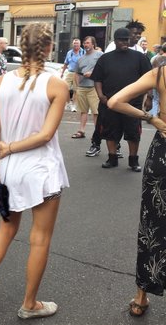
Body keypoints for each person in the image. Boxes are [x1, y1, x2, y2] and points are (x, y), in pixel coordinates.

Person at [0, 22, 69, 319]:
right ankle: (30, 303)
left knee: (7, 227)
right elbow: (46, 135)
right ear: (48, 48)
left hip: (7, 171)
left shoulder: (3, 81)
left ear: (22, 47)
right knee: (40, 238)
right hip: (40, 170)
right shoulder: (56, 85)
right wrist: (11, 148)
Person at [107, 61, 166, 318]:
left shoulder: (161, 72)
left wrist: (153, 119)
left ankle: (141, 296)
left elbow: (115, 101)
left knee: (152, 224)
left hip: (163, 151)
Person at [92, 28, 152, 171]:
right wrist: (101, 95)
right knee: (110, 132)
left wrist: (149, 97)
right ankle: (112, 159)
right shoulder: (105, 58)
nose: (125, 42)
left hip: (133, 104)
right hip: (110, 103)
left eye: (126, 39)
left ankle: (133, 161)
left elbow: (150, 78)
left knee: (133, 133)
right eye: (121, 40)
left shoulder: (139, 57)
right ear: (115, 41)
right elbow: (97, 79)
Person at [73, 37, 102, 142]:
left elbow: (103, 67)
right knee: (83, 111)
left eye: (88, 43)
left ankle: (97, 132)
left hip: (94, 87)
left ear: (93, 44)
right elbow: (76, 73)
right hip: (82, 87)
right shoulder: (80, 58)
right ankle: (81, 130)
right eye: (84, 43)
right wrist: (77, 87)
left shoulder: (99, 55)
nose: (86, 45)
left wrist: (92, 73)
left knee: (96, 111)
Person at [60, 38, 85, 112]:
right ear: (72, 44)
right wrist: (62, 72)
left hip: (79, 73)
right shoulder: (69, 53)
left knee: (75, 90)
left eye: (77, 43)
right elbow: (66, 63)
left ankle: (73, 105)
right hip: (70, 72)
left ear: (80, 44)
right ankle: (68, 103)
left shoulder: (83, 52)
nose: (76, 45)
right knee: (65, 88)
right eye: (74, 43)